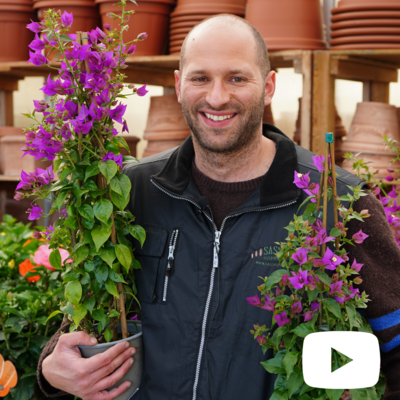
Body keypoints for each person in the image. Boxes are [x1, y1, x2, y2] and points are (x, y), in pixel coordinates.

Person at [37, 14, 400, 400]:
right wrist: (51, 368)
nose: (216, 97)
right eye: (200, 78)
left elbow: (395, 346)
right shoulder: (131, 191)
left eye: (237, 78)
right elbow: (92, 314)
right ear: (178, 86)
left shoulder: (336, 199)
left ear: (269, 86)